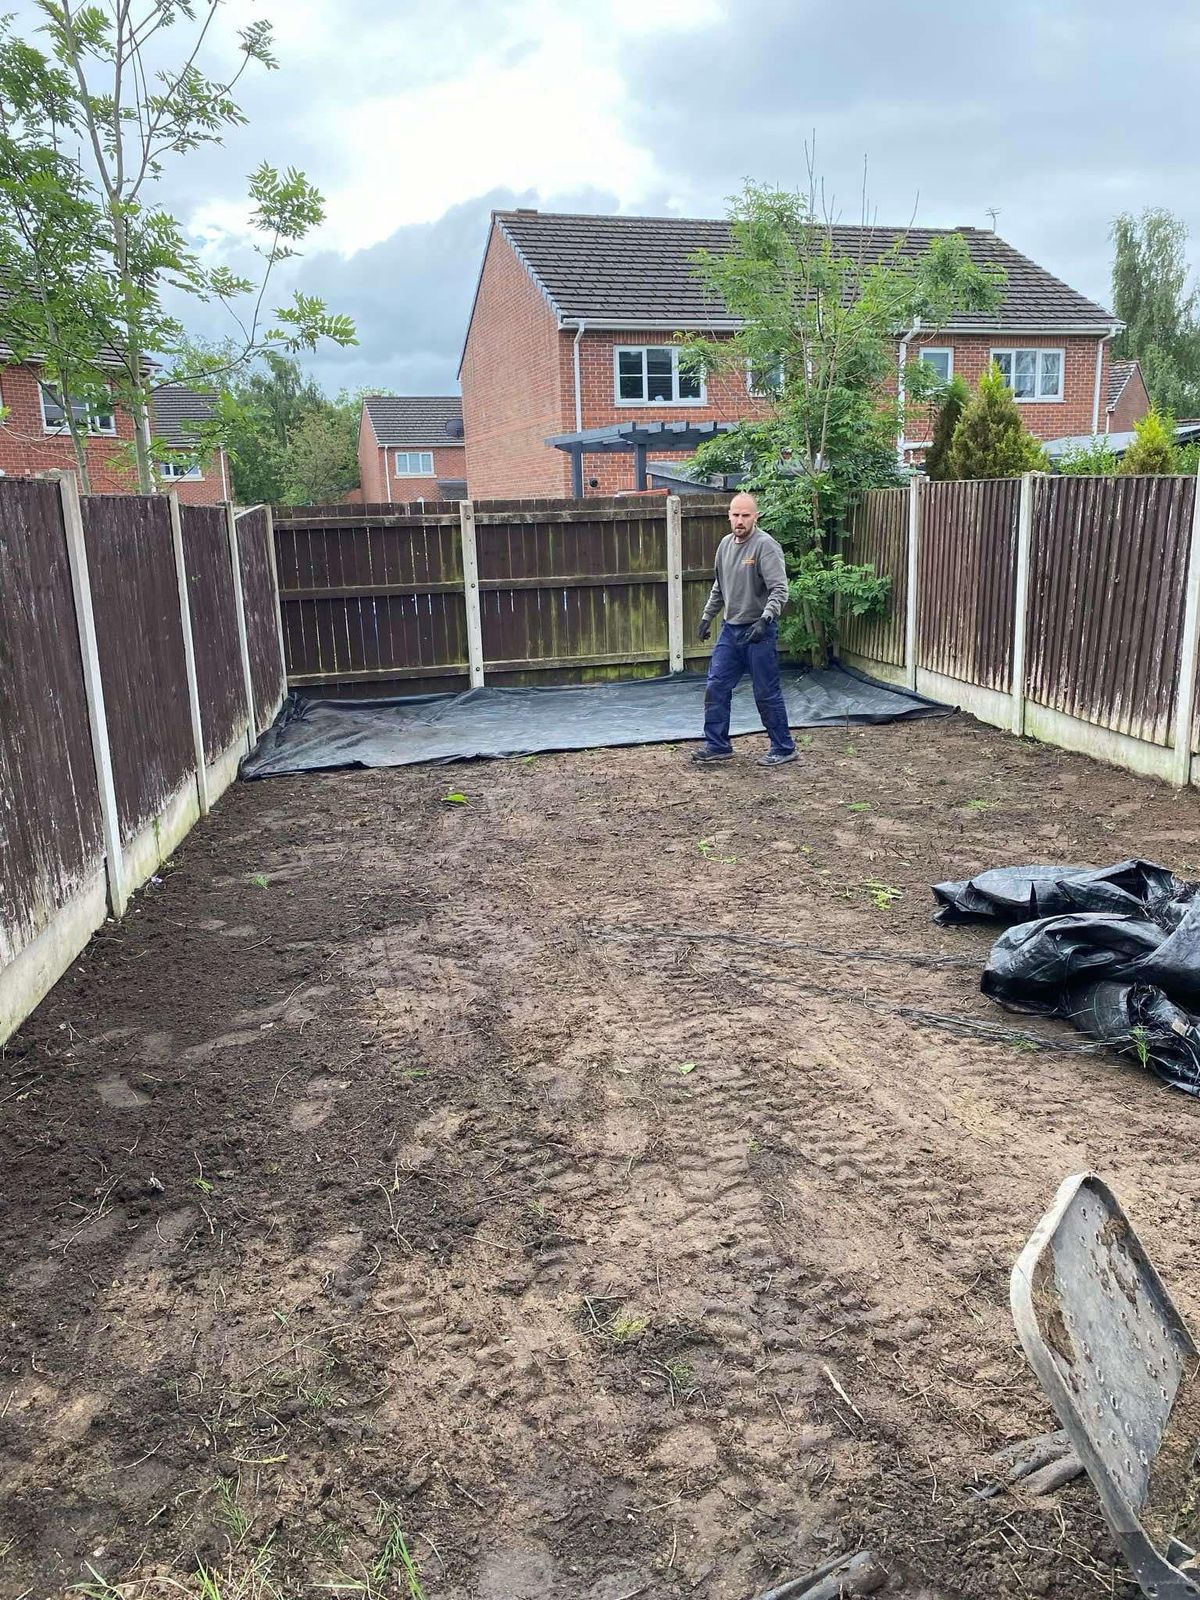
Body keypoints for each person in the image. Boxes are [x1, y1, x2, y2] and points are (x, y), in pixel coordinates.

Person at [692, 491, 796, 767]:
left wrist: (765, 620)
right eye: (736, 515)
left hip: (759, 632)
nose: (740, 520)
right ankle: (717, 745)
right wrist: (706, 617)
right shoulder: (725, 545)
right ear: (728, 516)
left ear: (755, 516)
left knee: (765, 691)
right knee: (716, 685)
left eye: (746, 515)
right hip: (731, 629)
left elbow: (779, 589)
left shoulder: (765, 546)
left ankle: (783, 747)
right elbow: (719, 586)